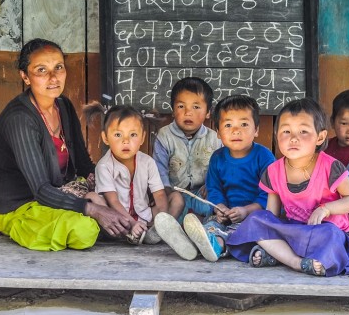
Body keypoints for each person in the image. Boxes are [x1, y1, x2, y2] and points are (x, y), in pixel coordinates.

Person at [0, 38, 131, 251]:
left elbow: (84, 165)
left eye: (58, 68)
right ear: (25, 76)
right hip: (24, 207)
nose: (53, 78)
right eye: (41, 70)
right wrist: (93, 209)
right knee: (85, 230)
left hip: (64, 192)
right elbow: (41, 191)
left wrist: (108, 186)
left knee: (124, 192)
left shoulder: (63, 105)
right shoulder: (20, 119)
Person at [226, 98, 349, 277]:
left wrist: (326, 209)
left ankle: (278, 254)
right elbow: (271, 215)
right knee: (258, 219)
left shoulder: (330, 166)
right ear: (276, 134)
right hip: (294, 231)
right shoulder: (273, 171)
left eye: (303, 131)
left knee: (332, 235)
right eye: (286, 131)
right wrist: (267, 226)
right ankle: (296, 262)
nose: (293, 138)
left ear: (320, 137)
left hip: (324, 232)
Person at [155, 95, 275, 262]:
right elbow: (214, 189)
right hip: (227, 215)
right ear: (218, 133)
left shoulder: (264, 157)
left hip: (256, 215)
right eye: (228, 125)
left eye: (244, 124)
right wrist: (219, 208)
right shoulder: (217, 158)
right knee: (210, 224)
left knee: (239, 231)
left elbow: (268, 196)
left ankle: (216, 245)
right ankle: (192, 245)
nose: (236, 130)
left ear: (256, 130)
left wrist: (246, 211)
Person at [83, 102, 183, 245]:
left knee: (177, 198)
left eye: (133, 135)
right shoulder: (104, 166)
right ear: (105, 138)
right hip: (116, 221)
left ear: (142, 138)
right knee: (92, 197)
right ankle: (129, 234)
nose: (126, 141)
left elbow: (159, 194)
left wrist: (162, 219)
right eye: (118, 134)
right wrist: (131, 223)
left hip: (144, 216)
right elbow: (113, 201)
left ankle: (157, 233)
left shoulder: (148, 162)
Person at [152, 77, 222, 222]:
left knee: (213, 203)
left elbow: (221, 169)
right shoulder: (164, 136)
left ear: (208, 112)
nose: (188, 112)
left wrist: (211, 184)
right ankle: (181, 225)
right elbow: (159, 170)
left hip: (201, 194)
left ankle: (200, 225)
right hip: (173, 193)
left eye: (196, 107)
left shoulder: (215, 139)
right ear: (173, 110)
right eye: (181, 106)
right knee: (170, 206)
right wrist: (167, 192)